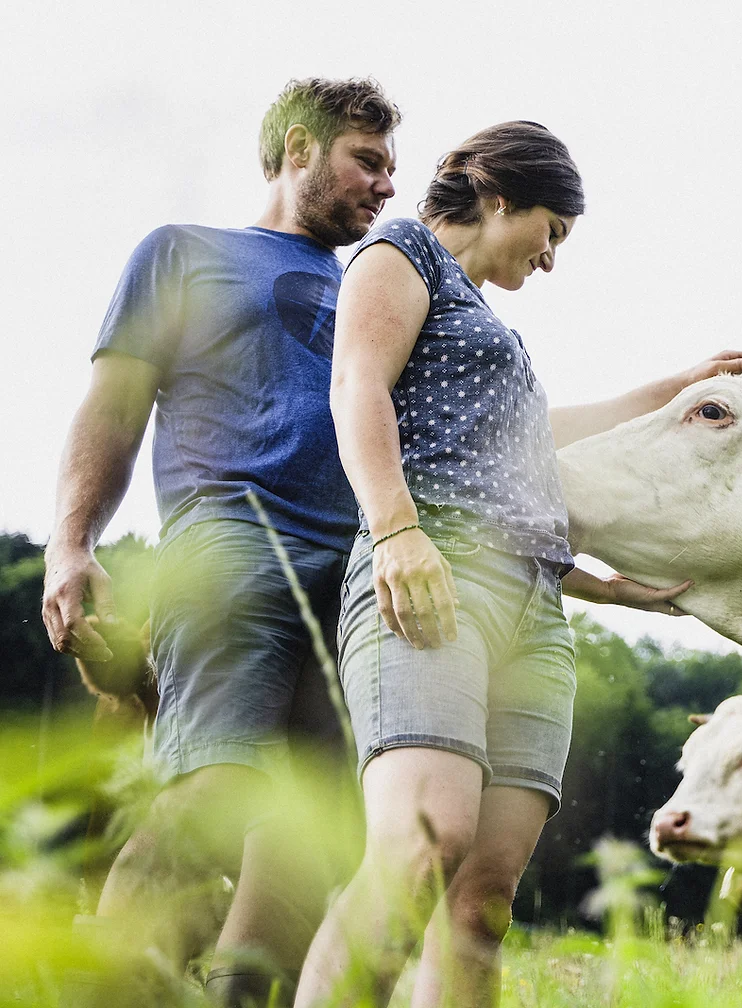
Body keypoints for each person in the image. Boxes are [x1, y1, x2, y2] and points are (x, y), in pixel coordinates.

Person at [292, 121, 742, 1008]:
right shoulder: (402, 254)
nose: (551, 259)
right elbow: (356, 386)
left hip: (536, 614)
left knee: (481, 902)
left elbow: (534, 447)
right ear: (503, 195)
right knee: (418, 851)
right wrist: (396, 533)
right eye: (553, 231)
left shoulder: (492, 331)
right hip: (434, 581)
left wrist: (676, 393)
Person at [41, 77, 400, 1007]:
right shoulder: (186, 254)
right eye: (368, 160)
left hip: (362, 577)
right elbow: (113, 406)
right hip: (234, 547)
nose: (387, 185)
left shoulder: (384, 284)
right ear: (296, 147)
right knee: (207, 793)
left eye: (393, 168)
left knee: (316, 830)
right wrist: (71, 543)